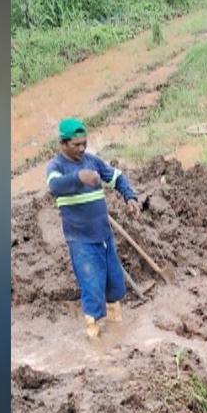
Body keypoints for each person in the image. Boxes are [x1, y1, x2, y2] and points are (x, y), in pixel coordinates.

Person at [45, 117, 139, 340]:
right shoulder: (57, 167)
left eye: (84, 143)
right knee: (92, 285)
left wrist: (130, 196)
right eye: (76, 145)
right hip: (81, 240)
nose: (82, 148)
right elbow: (55, 186)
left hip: (104, 235)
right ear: (63, 144)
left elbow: (116, 177)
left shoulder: (92, 161)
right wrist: (79, 177)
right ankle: (93, 333)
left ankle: (116, 325)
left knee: (114, 282)